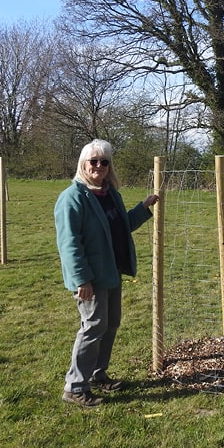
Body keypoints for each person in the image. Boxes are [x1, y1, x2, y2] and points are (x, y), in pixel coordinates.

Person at [54, 139, 159, 407]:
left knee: (110, 324)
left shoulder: (109, 193)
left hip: (111, 271)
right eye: (94, 161)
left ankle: (98, 375)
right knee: (92, 328)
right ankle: (75, 386)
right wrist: (82, 279)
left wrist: (142, 209)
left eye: (105, 161)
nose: (99, 166)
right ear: (83, 164)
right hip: (91, 277)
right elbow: (69, 244)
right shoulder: (72, 198)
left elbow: (120, 226)